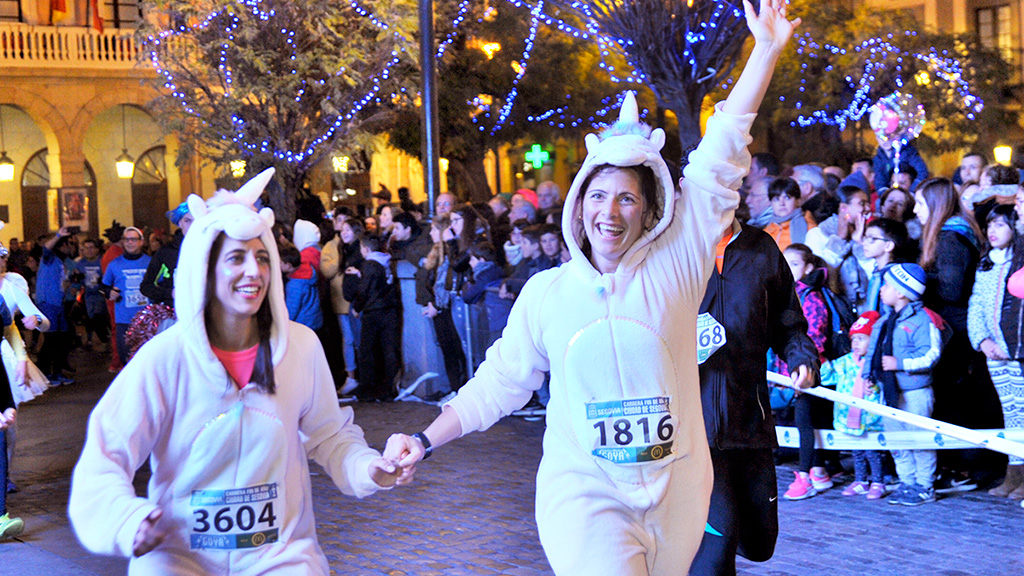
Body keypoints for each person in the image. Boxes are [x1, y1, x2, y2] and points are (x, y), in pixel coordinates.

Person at [382, 1, 801, 572]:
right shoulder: (547, 294)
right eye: (597, 196)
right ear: (578, 206)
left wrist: (767, 50)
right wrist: (425, 439)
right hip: (585, 496)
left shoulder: (677, 266)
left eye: (627, 196)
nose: (610, 211)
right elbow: (500, 383)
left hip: (676, 493)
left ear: (651, 208)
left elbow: (723, 149)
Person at [68, 169, 413, 573]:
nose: (254, 271)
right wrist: (128, 520)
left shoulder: (300, 348)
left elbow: (329, 434)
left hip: (279, 556)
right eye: (236, 257)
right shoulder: (165, 357)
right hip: (180, 557)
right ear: (204, 268)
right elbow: (104, 458)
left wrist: (368, 468)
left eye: (262, 257)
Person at [690, 220, 817, 576]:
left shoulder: (761, 248)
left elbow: (788, 322)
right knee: (719, 541)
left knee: (760, 543)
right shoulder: (671, 247)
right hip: (692, 432)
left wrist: (801, 358)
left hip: (749, 421)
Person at [861, 263, 943, 506]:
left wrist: (901, 363)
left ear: (901, 292)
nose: (882, 289)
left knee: (920, 440)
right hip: (891, 392)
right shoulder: (885, 321)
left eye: (887, 285)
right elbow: (873, 352)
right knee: (897, 440)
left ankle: (924, 485)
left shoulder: (923, 320)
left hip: (915, 391)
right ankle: (907, 481)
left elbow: (931, 354)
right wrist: (868, 376)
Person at [967, 205, 1024, 498]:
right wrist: (982, 341)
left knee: (1023, 411)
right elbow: (976, 304)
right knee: (1010, 412)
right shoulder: (986, 263)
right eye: (990, 225)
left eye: (1001, 225)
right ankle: (1014, 472)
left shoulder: (1019, 263)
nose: (993, 231)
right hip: (994, 352)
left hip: (1017, 350)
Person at [780, 244, 835, 500]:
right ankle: (818, 470)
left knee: (806, 421)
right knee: (810, 420)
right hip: (794, 368)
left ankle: (805, 476)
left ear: (808, 267)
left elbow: (813, 336)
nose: (787, 268)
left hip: (812, 369)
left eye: (794, 263)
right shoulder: (785, 294)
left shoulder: (810, 298)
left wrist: (803, 365)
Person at [821, 311, 886, 500]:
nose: (856, 343)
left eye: (861, 338)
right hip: (848, 417)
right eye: (854, 339)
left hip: (870, 420)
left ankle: (878, 481)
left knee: (873, 453)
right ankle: (860, 481)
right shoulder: (845, 362)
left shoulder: (877, 364)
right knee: (857, 452)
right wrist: (821, 361)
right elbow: (828, 376)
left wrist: (876, 386)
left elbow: (884, 388)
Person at [414, 215, 467, 401]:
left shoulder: (450, 252)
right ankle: (453, 389)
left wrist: (436, 304)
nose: (431, 233)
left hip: (447, 308)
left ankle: (459, 389)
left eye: (435, 229)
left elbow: (446, 281)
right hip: (438, 307)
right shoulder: (436, 251)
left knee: (455, 350)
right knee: (447, 350)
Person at [346, 235, 401, 402]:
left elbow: (364, 290)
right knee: (389, 349)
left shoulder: (369, 264)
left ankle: (367, 389)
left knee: (366, 350)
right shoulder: (387, 262)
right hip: (390, 310)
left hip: (373, 311)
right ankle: (389, 388)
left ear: (366, 249)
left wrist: (357, 308)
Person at [102, 226, 152, 367]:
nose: (130, 243)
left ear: (141, 242)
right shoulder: (114, 265)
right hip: (124, 320)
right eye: (127, 239)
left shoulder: (151, 262)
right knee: (126, 358)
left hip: (147, 319)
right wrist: (108, 293)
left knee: (148, 359)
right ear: (123, 242)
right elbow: (104, 287)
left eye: (134, 239)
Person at [141, 201, 193, 308]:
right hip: (174, 312)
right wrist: (170, 293)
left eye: (197, 220)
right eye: (187, 220)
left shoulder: (213, 249)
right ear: (180, 223)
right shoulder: (166, 252)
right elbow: (146, 286)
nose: (192, 225)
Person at [763, 177, 816, 251]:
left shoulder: (809, 228)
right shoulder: (767, 229)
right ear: (770, 203)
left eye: (787, 198)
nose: (782, 203)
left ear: (798, 201)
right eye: (777, 199)